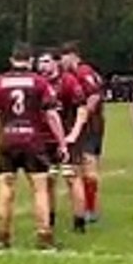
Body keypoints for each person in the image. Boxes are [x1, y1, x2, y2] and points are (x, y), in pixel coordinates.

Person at [0, 43, 68, 250]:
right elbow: (51, 114)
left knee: (5, 188)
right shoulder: (40, 83)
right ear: (30, 61)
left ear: (11, 60)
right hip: (33, 140)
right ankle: (44, 237)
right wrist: (62, 141)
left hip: (8, 139)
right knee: (40, 190)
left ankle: (2, 236)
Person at [37, 49, 90, 233]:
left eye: (46, 61)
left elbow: (82, 109)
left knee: (71, 178)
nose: (42, 65)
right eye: (40, 62)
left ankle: (79, 221)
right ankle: (49, 217)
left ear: (56, 63)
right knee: (48, 179)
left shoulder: (68, 81)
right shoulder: (38, 82)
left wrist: (74, 134)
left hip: (66, 137)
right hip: (45, 140)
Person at [60, 42, 105, 222]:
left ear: (72, 56)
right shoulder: (87, 71)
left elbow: (94, 95)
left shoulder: (82, 72)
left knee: (86, 167)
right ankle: (87, 206)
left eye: (63, 58)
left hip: (89, 126)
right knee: (82, 166)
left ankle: (89, 208)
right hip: (93, 125)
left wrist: (85, 113)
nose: (62, 62)